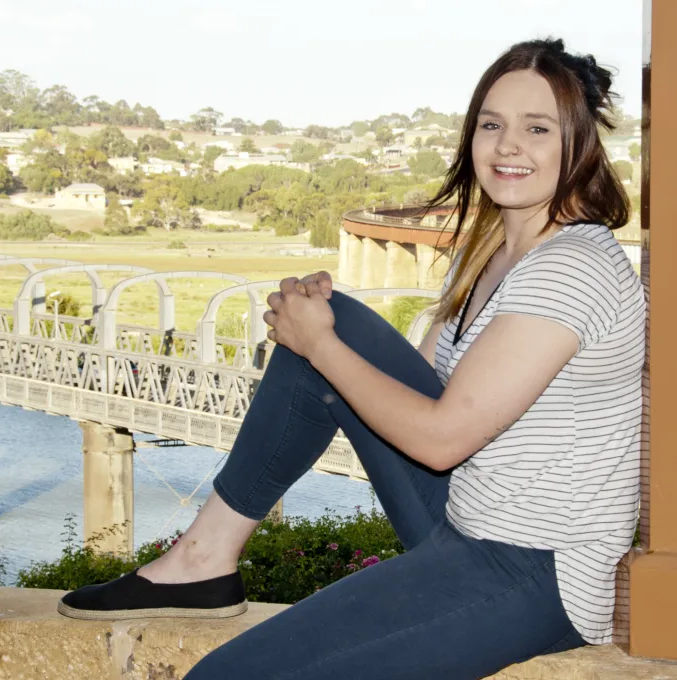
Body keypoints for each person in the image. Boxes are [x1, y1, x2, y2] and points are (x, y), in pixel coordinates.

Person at [58, 37, 646, 679]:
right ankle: (203, 558)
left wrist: (322, 343)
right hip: (468, 514)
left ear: (580, 143)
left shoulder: (573, 266)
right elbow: (417, 391)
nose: (508, 146)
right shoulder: (494, 255)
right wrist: (321, 342)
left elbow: (443, 438)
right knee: (336, 335)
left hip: (535, 567)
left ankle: (203, 561)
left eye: (538, 128)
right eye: (491, 124)